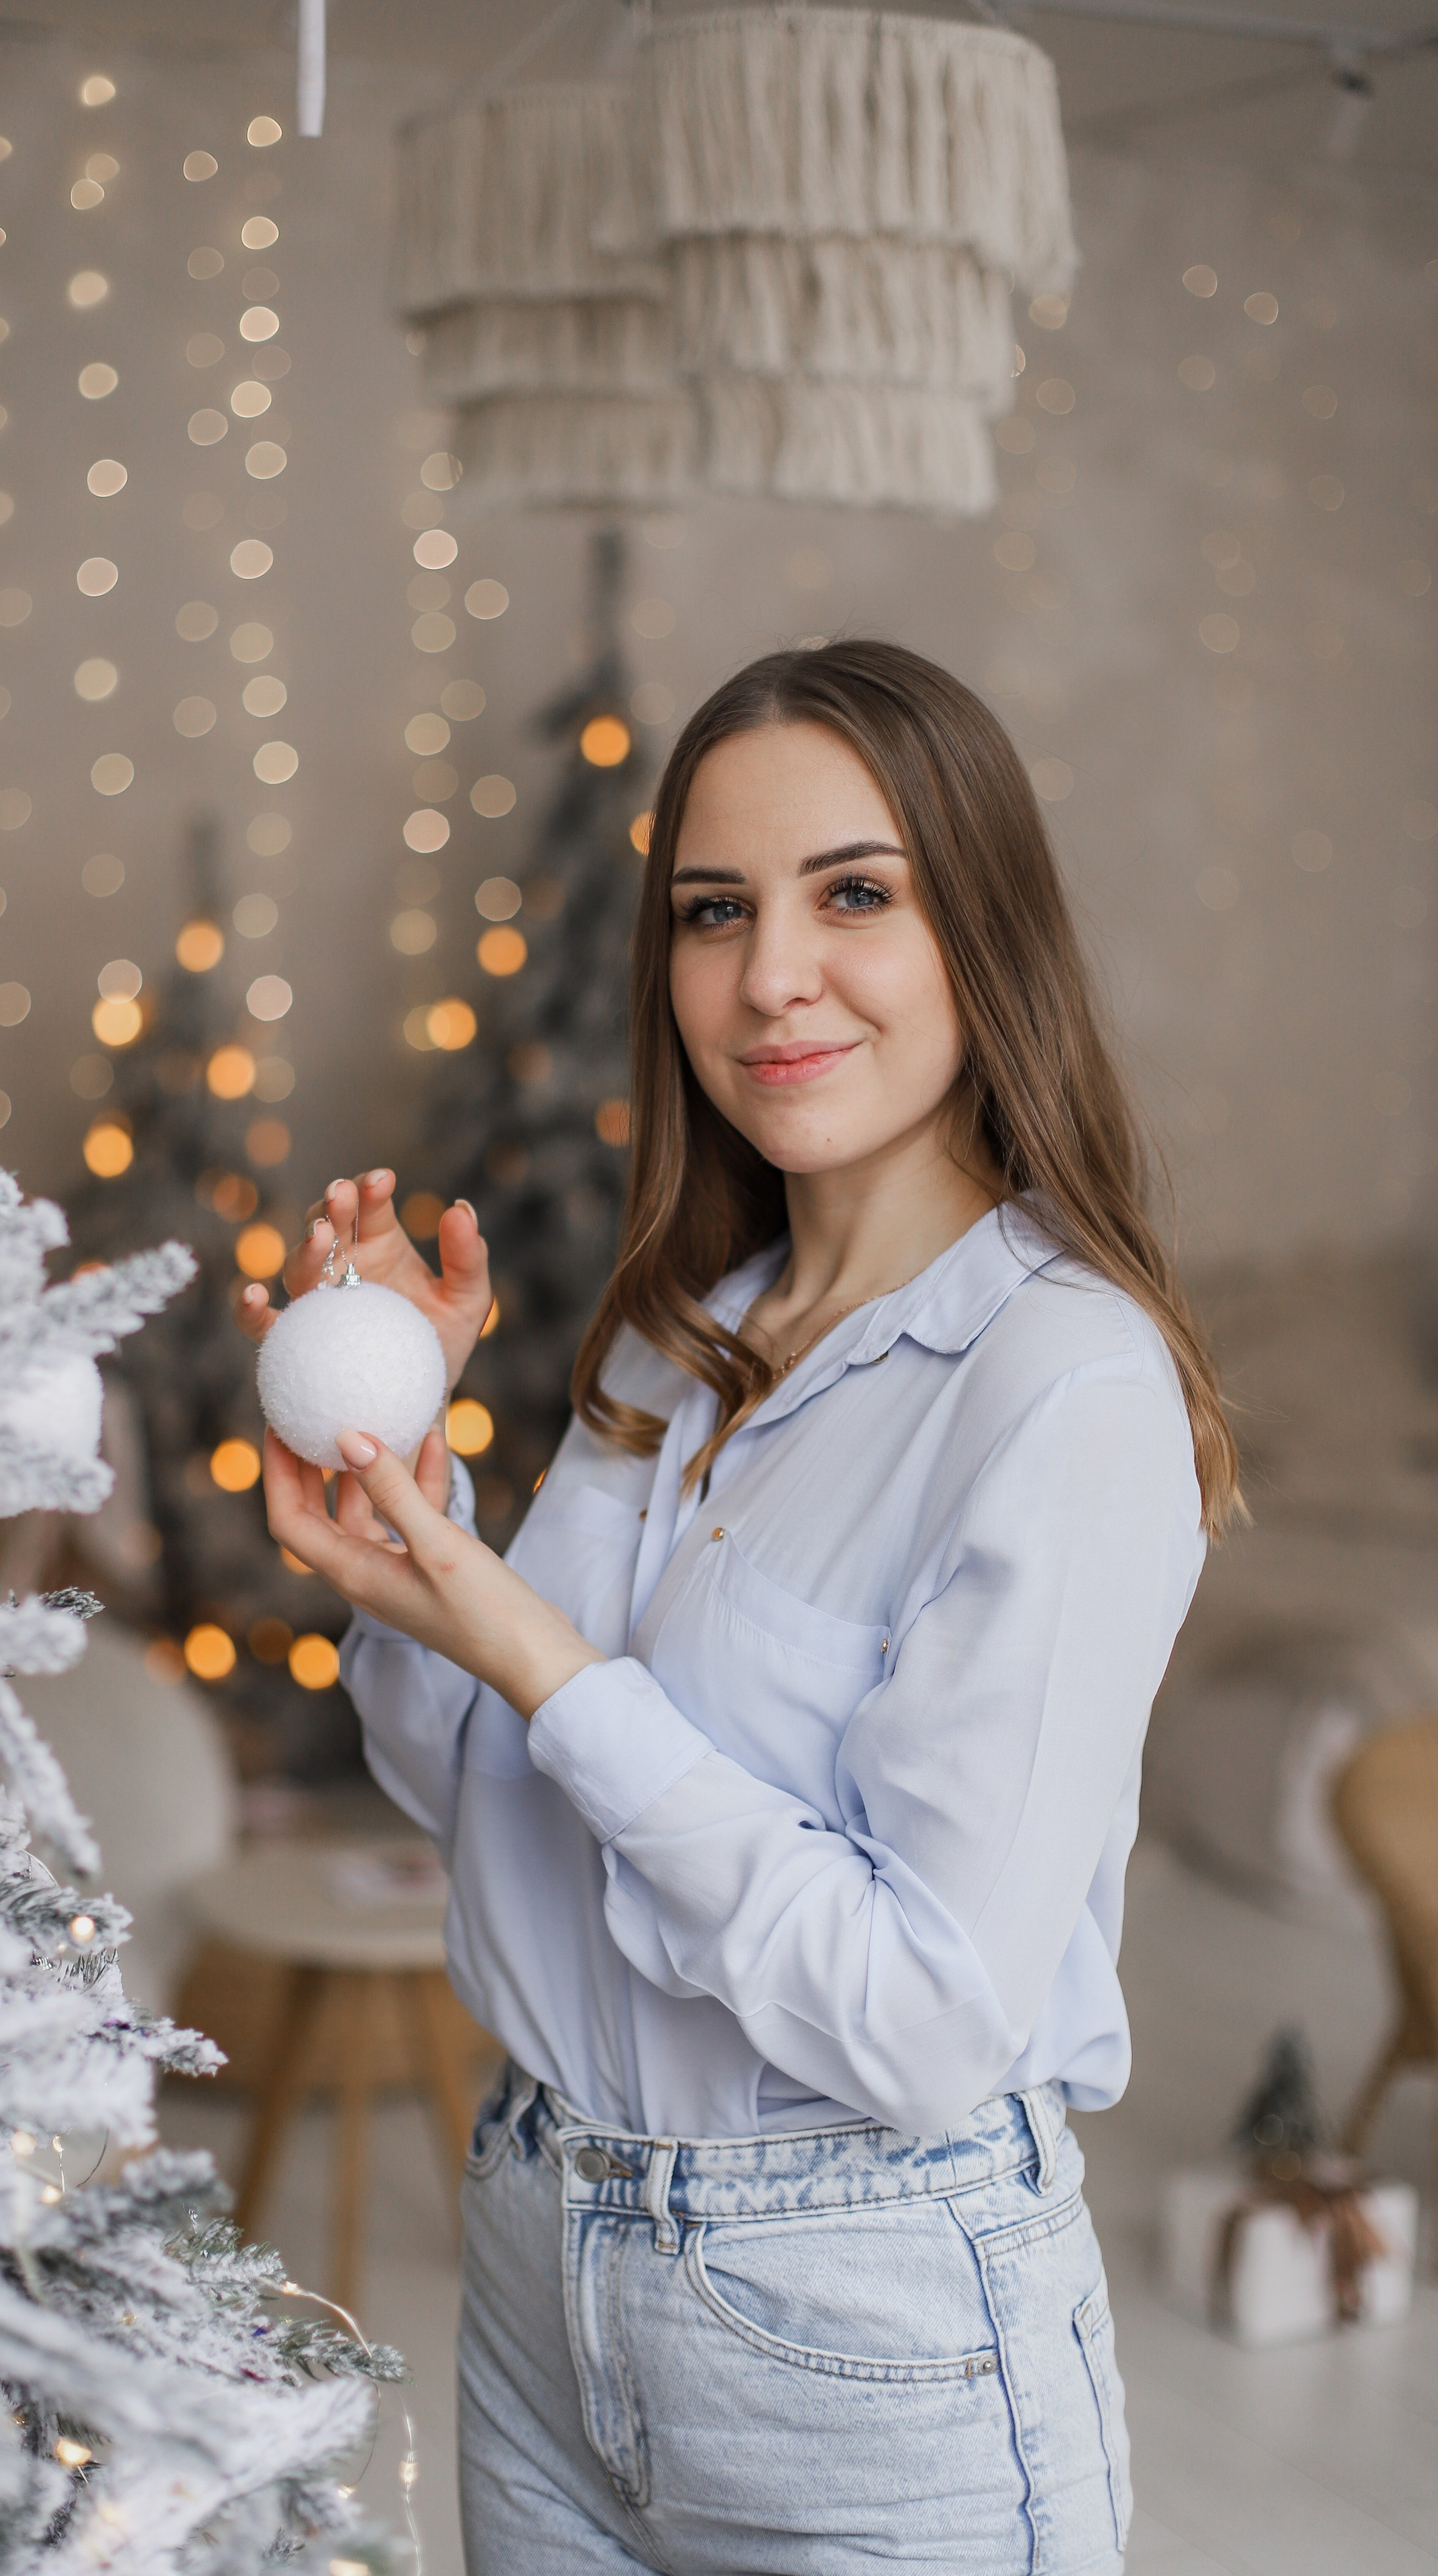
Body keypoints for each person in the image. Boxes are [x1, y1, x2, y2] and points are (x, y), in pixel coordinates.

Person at [237, 641, 1235, 2575]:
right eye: (714, 912)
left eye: (854, 893)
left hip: (866, 2331)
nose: (770, 974)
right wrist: (404, 1509)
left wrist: (536, 1650)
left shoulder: (1064, 1388)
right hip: (541, 2263)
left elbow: (928, 2016)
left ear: (986, 931)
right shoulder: (685, 1344)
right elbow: (489, 1796)